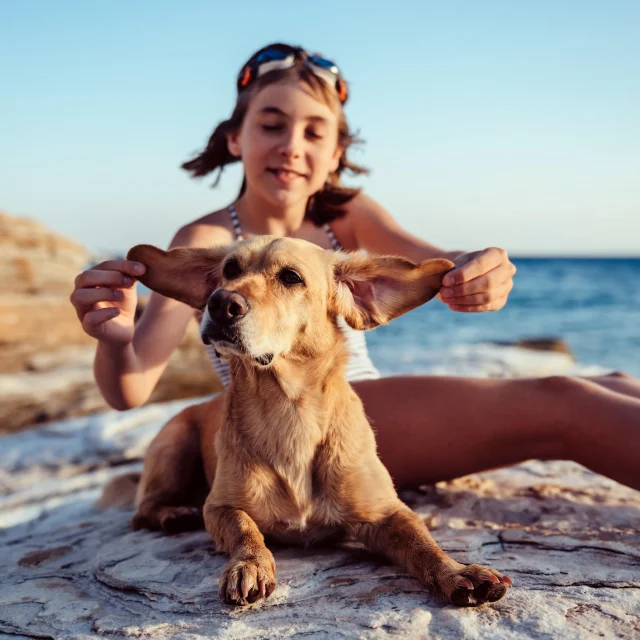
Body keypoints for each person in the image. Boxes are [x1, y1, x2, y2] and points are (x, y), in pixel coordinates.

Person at [71, 43, 640, 491]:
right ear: (235, 139)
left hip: (360, 405)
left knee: (615, 382)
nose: (293, 145)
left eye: (315, 132)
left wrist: (481, 269)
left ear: (336, 153)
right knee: (565, 404)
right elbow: (131, 388)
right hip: (299, 430)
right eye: (271, 124)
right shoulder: (210, 242)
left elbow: (435, 263)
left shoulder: (346, 217)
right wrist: (115, 338)